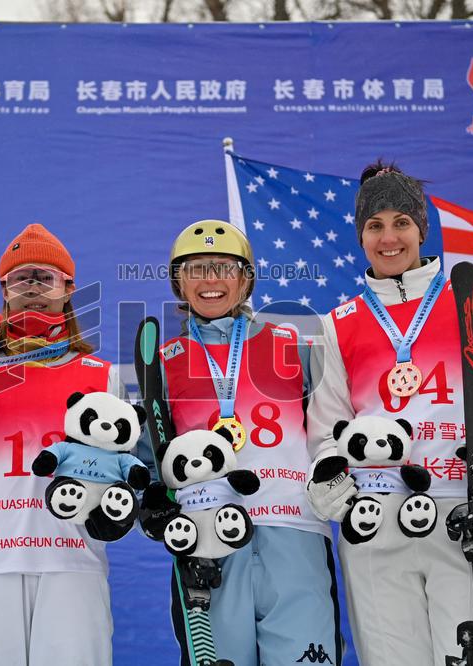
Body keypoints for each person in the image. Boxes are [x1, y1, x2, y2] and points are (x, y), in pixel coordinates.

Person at [305, 162, 473, 665]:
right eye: (374, 226)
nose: (389, 237)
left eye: (402, 222)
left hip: (466, 514)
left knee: (472, 657)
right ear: (360, 236)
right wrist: (326, 477)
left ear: (422, 228)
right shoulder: (340, 324)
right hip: (375, 523)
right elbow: (325, 428)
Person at [0, 223, 125, 666]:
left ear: (68, 289)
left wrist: (117, 508)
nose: (32, 288)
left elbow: (125, 476)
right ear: (4, 290)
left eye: (44, 277)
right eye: (20, 278)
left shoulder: (104, 377)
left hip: (72, 562)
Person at [141, 219, 342, 666]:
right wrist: (152, 500)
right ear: (178, 281)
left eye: (224, 268)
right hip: (208, 546)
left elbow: (334, 427)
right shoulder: (162, 364)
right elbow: (150, 457)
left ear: (246, 277)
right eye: (195, 269)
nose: (210, 281)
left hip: (294, 535)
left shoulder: (296, 346)